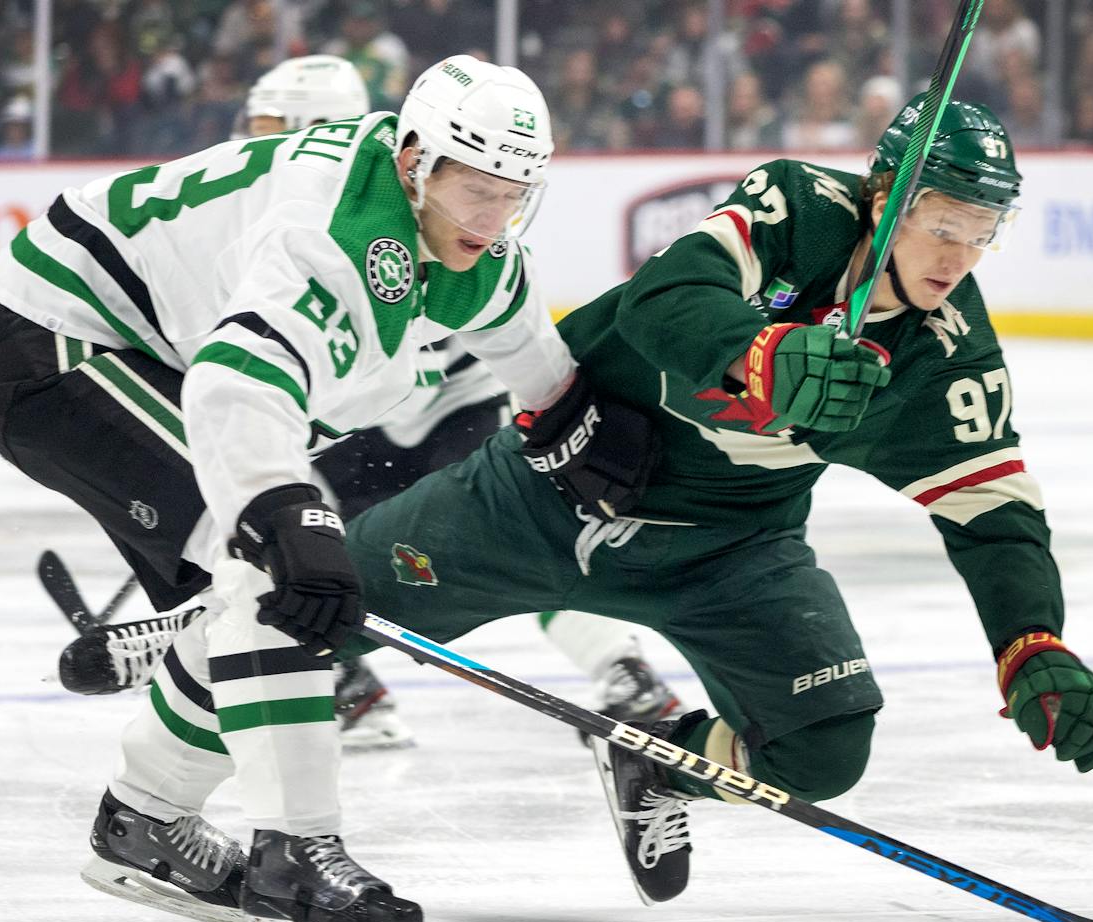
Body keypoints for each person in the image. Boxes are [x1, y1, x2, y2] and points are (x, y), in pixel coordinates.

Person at [327, 94, 1093, 904]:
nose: (959, 257)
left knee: (823, 748)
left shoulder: (946, 353)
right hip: (538, 498)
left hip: (729, 551)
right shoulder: (801, 213)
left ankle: (659, 758)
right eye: (945, 225)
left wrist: (1031, 639)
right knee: (312, 608)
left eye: (983, 232)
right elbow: (662, 298)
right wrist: (761, 354)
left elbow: (994, 511)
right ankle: (215, 803)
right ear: (885, 200)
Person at [0, 55, 632, 922]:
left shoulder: (459, 235)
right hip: (61, 350)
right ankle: (292, 868)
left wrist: (573, 426)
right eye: (476, 190)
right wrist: (285, 513)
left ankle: (146, 823)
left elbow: (522, 342)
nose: (494, 216)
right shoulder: (337, 231)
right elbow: (239, 379)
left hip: (145, 351)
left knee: (251, 595)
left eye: (514, 193)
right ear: (414, 163)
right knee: (273, 573)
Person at [62, 54, 680, 752]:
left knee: (456, 547)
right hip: (367, 416)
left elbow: (483, 329)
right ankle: (321, 667)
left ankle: (617, 668)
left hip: (442, 408)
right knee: (311, 549)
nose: (255, 136)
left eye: (270, 125)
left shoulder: (378, 208)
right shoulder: (321, 203)